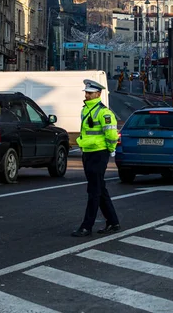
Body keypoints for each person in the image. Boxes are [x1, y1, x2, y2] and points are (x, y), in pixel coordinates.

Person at [71, 79, 120, 237]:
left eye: (90, 93)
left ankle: (87, 226)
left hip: (99, 153)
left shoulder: (104, 113)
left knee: (94, 190)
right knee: (99, 188)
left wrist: (110, 150)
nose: (87, 95)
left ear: (98, 94)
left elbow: (112, 135)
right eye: (86, 92)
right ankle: (113, 222)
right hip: (88, 152)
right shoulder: (85, 110)